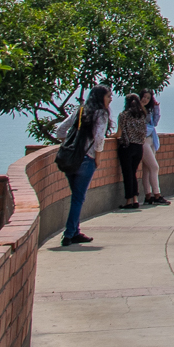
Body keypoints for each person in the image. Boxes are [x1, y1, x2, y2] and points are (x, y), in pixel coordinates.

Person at [51, 86, 112, 246]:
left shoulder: (80, 111)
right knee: (78, 198)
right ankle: (69, 234)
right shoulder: (101, 113)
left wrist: (71, 146)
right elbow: (99, 138)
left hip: (70, 160)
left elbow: (60, 130)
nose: (110, 99)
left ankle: (75, 232)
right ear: (101, 97)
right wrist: (98, 158)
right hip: (87, 159)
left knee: (76, 197)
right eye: (108, 96)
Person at [115, 94, 149, 209]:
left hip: (127, 146)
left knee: (127, 174)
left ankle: (129, 200)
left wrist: (110, 136)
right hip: (139, 148)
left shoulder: (123, 115)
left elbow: (119, 133)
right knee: (133, 173)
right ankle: (135, 199)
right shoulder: (142, 115)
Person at [137, 91, 169, 206]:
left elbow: (155, 123)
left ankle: (148, 196)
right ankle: (157, 195)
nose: (145, 99)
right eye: (144, 97)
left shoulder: (149, 110)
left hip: (151, 139)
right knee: (154, 167)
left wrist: (156, 108)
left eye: (148, 98)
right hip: (143, 141)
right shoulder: (136, 111)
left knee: (147, 170)